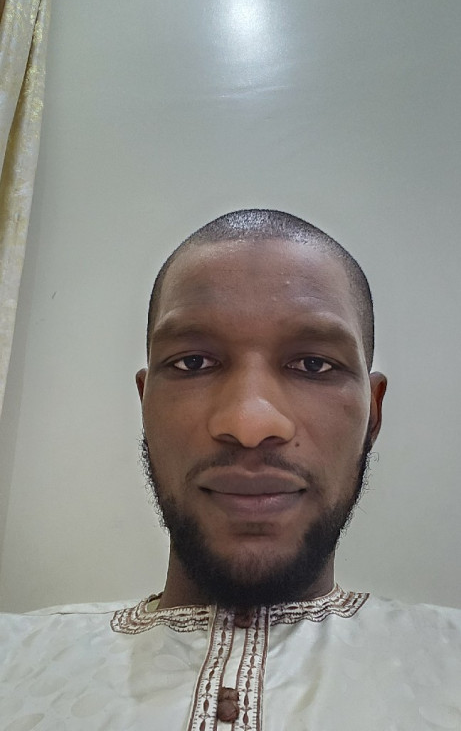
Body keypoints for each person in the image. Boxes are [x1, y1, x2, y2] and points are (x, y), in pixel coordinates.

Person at [1, 209, 460, 729]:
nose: (249, 423)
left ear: (372, 414)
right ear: (145, 404)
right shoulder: (12, 665)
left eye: (313, 365)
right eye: (193, 363)